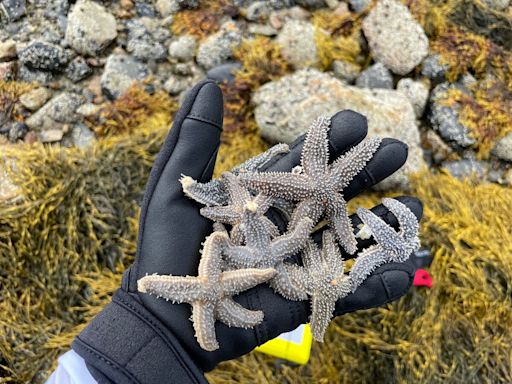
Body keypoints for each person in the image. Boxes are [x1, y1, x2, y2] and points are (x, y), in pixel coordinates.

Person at [46, 80, 422, 384]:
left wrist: (140, 335)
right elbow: (229, 246)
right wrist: (154, 334)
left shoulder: (275, 230)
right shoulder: (227, 255)